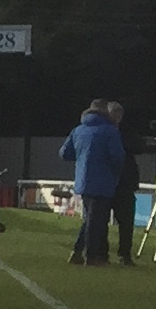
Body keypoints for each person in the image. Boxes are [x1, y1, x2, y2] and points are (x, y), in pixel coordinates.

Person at [61, 99, 123, 264]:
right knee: (95, 221)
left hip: (83, 180)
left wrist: (82, 157)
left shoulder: (78, 130)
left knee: (90, 219)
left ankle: (79, 252)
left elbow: (64, 153)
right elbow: (117, 157)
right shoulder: (110, 131)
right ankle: (91, 255)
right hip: (104, 181)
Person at [106, 102, 139, 264]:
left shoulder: (127, 134)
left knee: (126, 223)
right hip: (108, 182)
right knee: (99, 221)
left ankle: (124, 254)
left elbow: (136, 148)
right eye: (115, 114)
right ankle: (101, 252)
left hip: (124, 184)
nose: (117, 118)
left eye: (120, 114)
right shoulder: (104, 131)